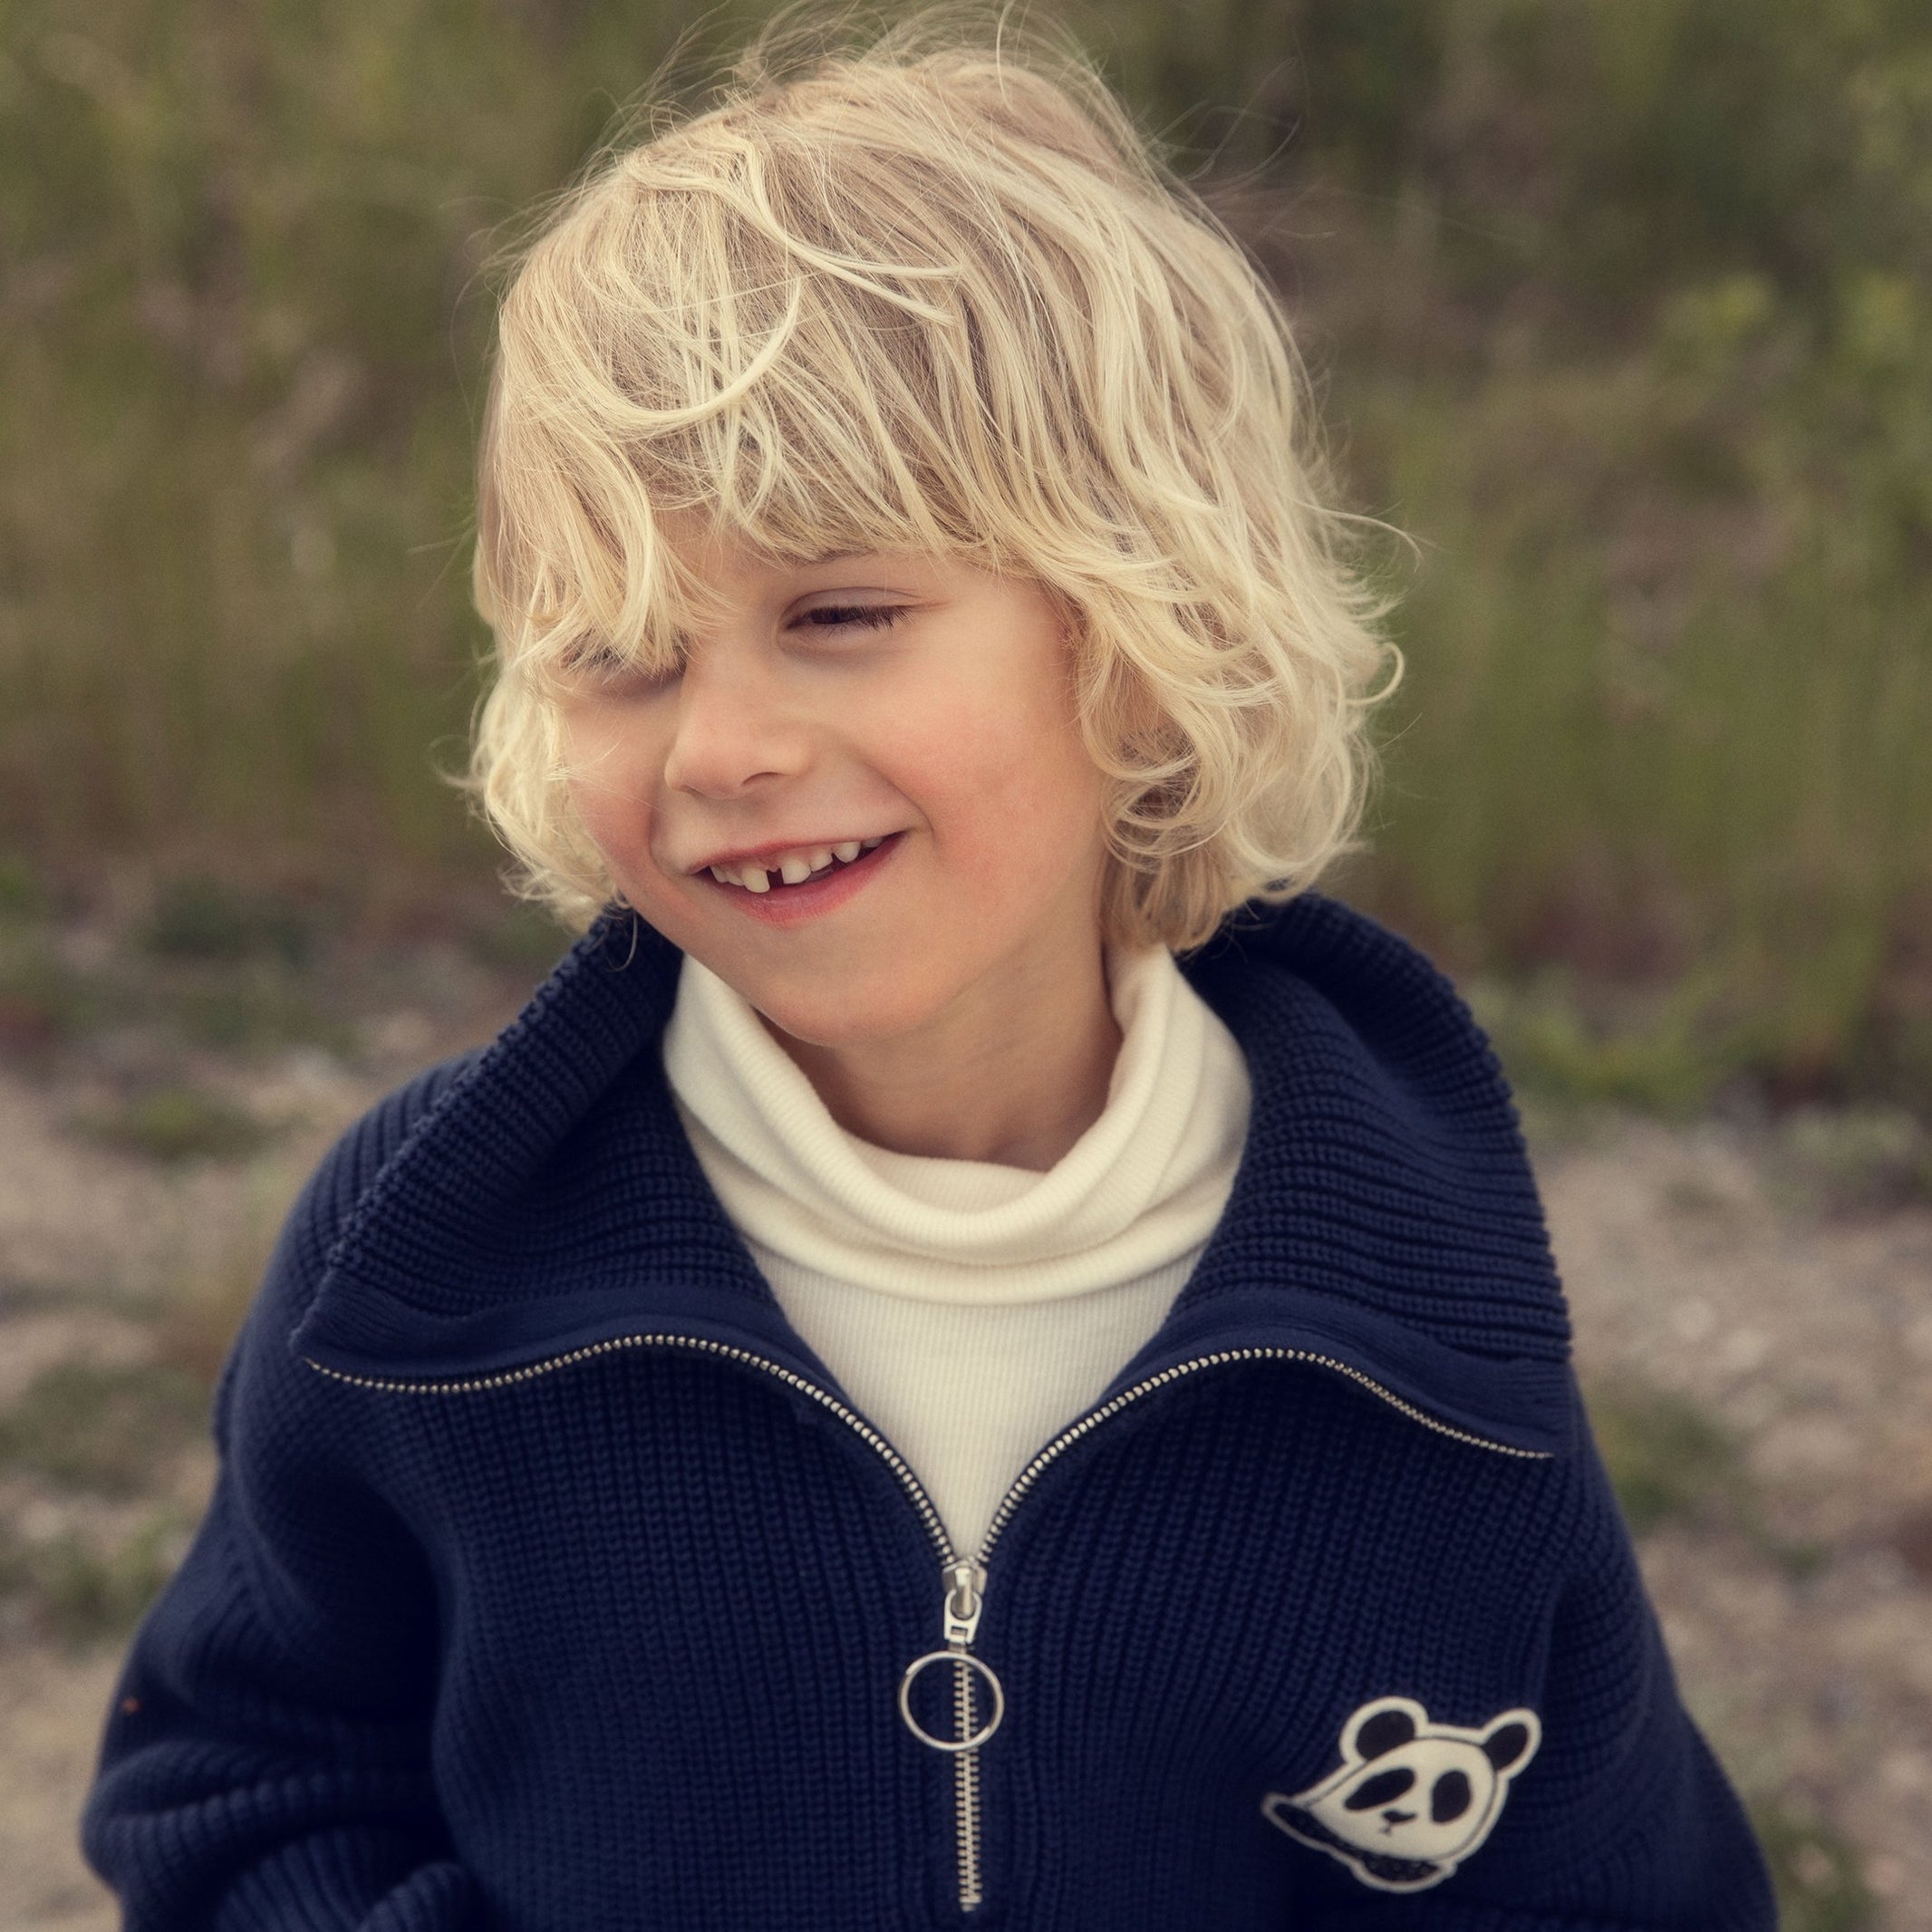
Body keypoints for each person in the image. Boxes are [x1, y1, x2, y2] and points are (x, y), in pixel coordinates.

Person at [80, 15, 1773, 1925]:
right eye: (622, 651)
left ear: (1138, 631)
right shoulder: (427, 1256)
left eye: (840, 611)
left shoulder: (1420, 1317)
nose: (719, 744)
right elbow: (240, 1781)